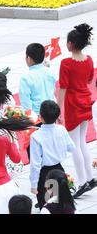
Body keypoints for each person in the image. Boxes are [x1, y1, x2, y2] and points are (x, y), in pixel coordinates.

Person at [58, 23, 97, 198]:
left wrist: (59, 109)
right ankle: (89, 177)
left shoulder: (66, 63)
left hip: (73, 104)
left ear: (71, 44)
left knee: (75, 145)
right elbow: (89, 80)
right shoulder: (88, 60)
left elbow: (63, 88)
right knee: (81, 142)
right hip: (85, 101)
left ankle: (82, 181)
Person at [29, 100, 75, 209]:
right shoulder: (61, 129)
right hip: (60, 171)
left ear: (40, 116)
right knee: (63, 203)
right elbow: (71, 147)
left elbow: (35, 164)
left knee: (48, 207)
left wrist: (33, 185)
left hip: (45, 174)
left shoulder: (36, 136)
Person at [19, 43, 57, 114]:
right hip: (52, 112)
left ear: (29, 59)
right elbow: (53, 91)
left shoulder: (26, 77)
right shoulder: (51, 72)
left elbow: (25, 100)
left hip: (37, 115)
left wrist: (28, 116)